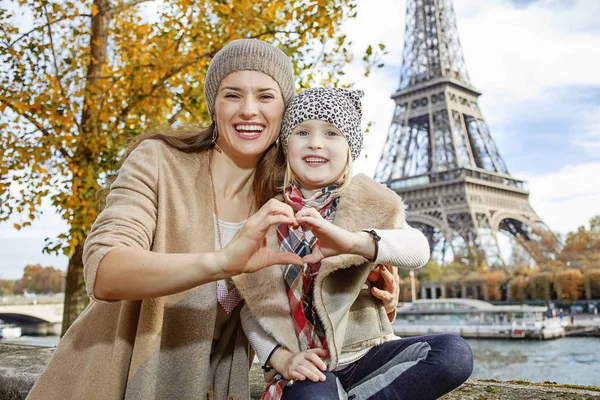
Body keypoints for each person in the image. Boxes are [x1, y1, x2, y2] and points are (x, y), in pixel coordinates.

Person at [26, 39, 398, 400]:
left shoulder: (292, 201)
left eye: (266, 96)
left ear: (285, 113)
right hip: (108, 379)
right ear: (213, 106)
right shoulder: (159, 162)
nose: (249, 110)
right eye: (232, 94)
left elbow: (308, 311)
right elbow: (104, 272)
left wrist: (377, 296)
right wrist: (222, 263)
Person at [233, 88, 474, 400]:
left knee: (453, 353)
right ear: (285, 145)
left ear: (350, 148)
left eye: (332, 133)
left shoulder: (371, 202)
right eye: (302, 131)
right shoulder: (267, 218)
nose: (316, 142)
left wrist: (355, 242)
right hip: (309, 367)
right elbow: (251, 309)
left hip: (368, 354)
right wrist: (282, 359)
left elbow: (418, 248)